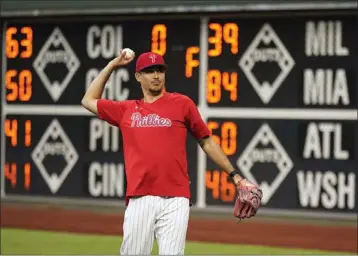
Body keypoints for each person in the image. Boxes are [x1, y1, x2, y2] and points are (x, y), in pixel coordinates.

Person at [81, 50, 262, 255]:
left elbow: (207, 142)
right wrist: (112, 65)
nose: (156, 75)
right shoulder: (127, 110)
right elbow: (88, 100)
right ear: (138, 77)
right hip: (140, 197)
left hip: (176, 198)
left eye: (159, 70)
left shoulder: (182, 104)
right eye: (149, 71)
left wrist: (236, 177)